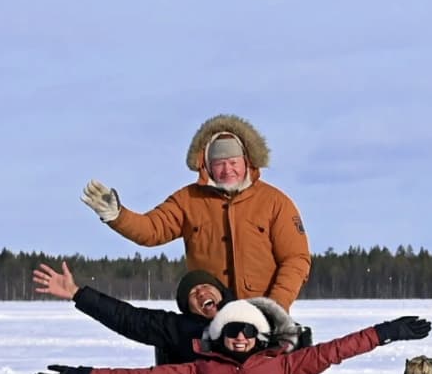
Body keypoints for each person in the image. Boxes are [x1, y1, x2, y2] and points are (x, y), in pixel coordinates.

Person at [80, 114, 311, 311]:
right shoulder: (188, 200)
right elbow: (151, 230)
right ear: (207, 165)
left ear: (247, 161)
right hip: (208, 318)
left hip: (261, 317)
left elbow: (295, 260)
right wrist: (117, 215)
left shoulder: (275, 202)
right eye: (219, 163)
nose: (227, 169)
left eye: (233, 162)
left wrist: (275, 307)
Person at [34, 300, 431, 374]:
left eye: (246, 332)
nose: (239, 338)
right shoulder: (200, 369)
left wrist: (386, 332)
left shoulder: (286, 363)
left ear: (258, 337)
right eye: (231, 331)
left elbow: (339, 349)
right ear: (219, 336)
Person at [32, 261, 303, 363]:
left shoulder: (254, 315)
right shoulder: (179, 328)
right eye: (193, 295)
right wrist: (79, 294)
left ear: (222, 293)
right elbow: (129, 318)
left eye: (207, 287)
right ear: (189, 308)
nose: (201, 293)